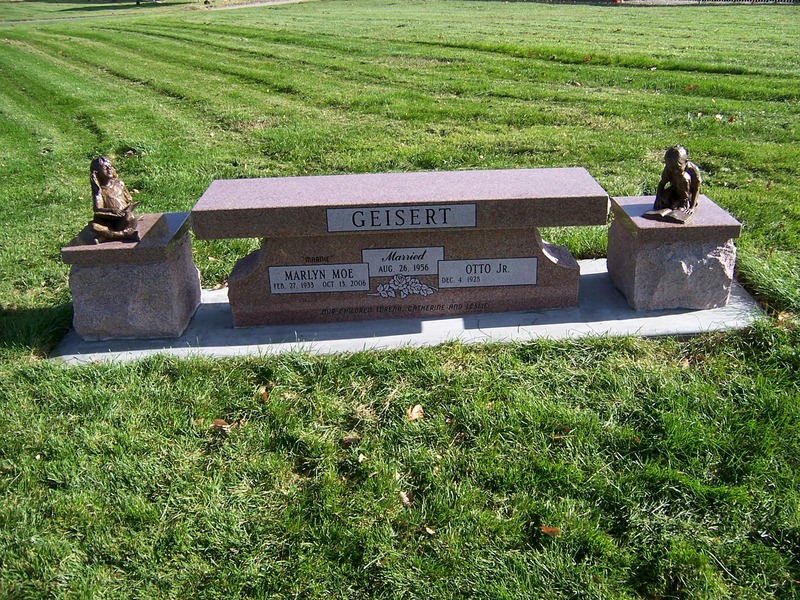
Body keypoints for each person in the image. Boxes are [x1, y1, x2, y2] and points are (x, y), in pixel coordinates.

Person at [88, 156, 140, 243]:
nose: (109, 169)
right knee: (93, 226)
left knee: (130, 217)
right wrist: (112, 210)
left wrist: (128, 208)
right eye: (105, 167)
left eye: (110, 166)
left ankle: (108, 236)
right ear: (97, 173)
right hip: (109, 221)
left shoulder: (119, 184)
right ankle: (125, 234)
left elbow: (128, 199)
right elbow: (97, 209)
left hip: (124, 218)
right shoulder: (99, 191)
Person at [645, 145, 701, 224]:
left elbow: (696, 189)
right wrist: (658, 198)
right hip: (674, 190)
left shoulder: (693, 171)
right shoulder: (669, 168)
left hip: (688, 194)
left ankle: (683, 204)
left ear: (686, 162)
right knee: (663, 202)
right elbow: (662, 183)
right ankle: (672, 204)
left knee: (683, 177)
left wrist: (692, 207)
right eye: (670, 167)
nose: (673, 170)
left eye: (677, 167)